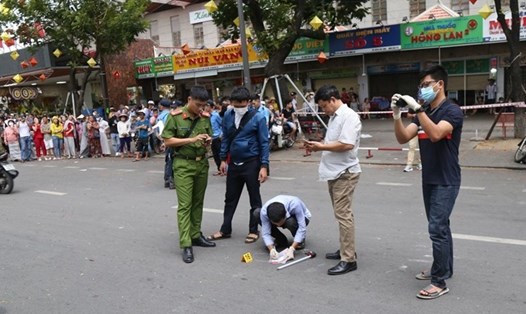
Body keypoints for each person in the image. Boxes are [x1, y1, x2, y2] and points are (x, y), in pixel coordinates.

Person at [391, 64, 463, 300]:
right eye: (420, 86)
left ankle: (439, 281)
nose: (422, 89)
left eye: (425, 85)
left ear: (439, 84)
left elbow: (436, 134)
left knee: (436, 229)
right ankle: (443, 268)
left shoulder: (452, 111)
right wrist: (397, 115)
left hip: (447, 179)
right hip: (429, 178)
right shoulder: (426, 114)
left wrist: (419, 109)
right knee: (441, 227)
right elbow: (403, 137)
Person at [304, 84, 362, 276]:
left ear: (332, 100)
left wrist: (321, 147)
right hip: (335, 172)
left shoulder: (349, 116)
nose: (323, 110)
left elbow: (346, 144)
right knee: (342, 215)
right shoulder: (335, 117)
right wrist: (319, 145)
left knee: (343, 216)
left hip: (344, 172)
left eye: (323, 106)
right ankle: (347, 250)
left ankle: (348, 259)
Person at [207, 86, 270, 244]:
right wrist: (222, 159)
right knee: (230, 198)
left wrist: (264, 166)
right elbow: (226, 138)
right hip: (233, 163)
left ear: (248, 102)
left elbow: (264, 143)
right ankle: (225, 229)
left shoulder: (259, 117)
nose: (239, 108)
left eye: (242, 105)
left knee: (254, 199)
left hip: (252, 163)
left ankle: (253, 230)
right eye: (236, 105)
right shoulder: (228, 115)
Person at [161, 86, 216, 264]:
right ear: (189, 100)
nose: (201, 108)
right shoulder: (175, 117)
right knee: (185, 205)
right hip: (183, 164)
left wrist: (207, 140)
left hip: (202, 163)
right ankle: (186, 243)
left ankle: (195, 234)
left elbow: (210, 137)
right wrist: (191, 140)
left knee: (198, 202)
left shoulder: (205, 118)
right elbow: (167, 140)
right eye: (198, 105)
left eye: (204, 105)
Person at [253, 195, 311, 261]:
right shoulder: (264, 212)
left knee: (290, 222)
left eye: (280, 223)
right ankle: (281, 239)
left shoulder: (295, 204)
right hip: (280, 217)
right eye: (276, 223)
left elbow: (302, 228)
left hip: (302, 217)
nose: (278, 225)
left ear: (285, 215)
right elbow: (266, 233)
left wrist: (292, 248)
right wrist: (271, 249)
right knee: (257, 213)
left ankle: (299, 241)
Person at [210, 100, 223, 176]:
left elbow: (222, 124)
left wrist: (221, 134)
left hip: (217, 137)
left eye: (207, 106)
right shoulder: (206, 116)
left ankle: (223, 169)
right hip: (211, 138)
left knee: (220, 154)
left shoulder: (216, 115)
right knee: (215, 155)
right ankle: (219, 169)